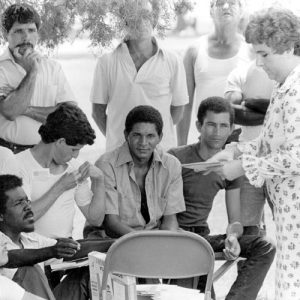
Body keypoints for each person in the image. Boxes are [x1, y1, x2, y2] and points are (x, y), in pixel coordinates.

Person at [206, 8, 300, 300]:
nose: (258, 63)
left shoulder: (297, 91)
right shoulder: (283, 86)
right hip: (286, 209)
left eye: (264, 54)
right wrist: (234, 150)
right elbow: (270, 143)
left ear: (286, 45)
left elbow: (296, 155)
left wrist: (242, 167)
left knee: (292, 284)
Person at [169, 97, 275, 300]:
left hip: (201, 236)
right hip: (174, 235)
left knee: (265, 246)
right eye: (211, 125)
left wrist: (233, 237)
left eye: (223, 126)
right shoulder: (176, 158)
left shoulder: (230, 167)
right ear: (199, 125)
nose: (217, 132)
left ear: (232, 128)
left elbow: (235, 220)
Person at [90, 0, 188, 152]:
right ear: (124, 21)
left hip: (161, 155)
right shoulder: (107, 62)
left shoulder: (172, 60)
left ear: (155, 20)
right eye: (134, 16)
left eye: (146, 16)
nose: (141, 21)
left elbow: (178, 110)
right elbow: (97, 113)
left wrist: (151, 141)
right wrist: (122, 142)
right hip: (118, 157)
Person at [0, 174, 113, 300]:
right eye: (19, 203)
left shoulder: (30, 238)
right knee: (29, 270)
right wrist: (51, 251)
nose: (27, 206)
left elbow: (71, 249)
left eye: (27, 201)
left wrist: (115, 243)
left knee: (86, 274)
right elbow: (12, 257)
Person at [15, 103, 105, 239]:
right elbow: (22, 219)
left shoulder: (74, 167)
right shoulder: (18, 165)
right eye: (74, 149)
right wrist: (61, 187)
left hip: (66, 252)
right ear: (60, 142)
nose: (76, 156)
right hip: (30, 254)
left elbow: (95, 219)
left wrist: (99, 180)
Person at [93, 105, 185, 238]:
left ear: (160, 137)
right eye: (137, 135)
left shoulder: (171, 165)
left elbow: (170, 220)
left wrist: (165, 243)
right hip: (114, 238)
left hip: (155, 238)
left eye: (150, 136)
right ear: (126, 135)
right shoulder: (106, 165)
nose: (143, 142)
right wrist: (144, 243)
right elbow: (111, 223)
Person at [0, 3, 75, 154]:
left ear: (38, 34)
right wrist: (33, 71)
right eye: (19, 31)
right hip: (9, 153)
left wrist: (25, 109)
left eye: (31, 30)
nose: (26, 37)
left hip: (47, 152)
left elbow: (70, 115)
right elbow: (11, 112)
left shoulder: (53, 68)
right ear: (5, 34)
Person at [177, 0, 252, 145]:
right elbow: (184, 104)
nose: (225, 6)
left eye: (231, 2)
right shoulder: (193, 50)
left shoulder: (251, 52)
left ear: (241, 10)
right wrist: (181, 146)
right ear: (211, 10)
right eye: (219, 2)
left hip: (239, 143)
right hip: (201, 140)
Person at [225, 61, 275, 235]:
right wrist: (273, 108)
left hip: (281, 162)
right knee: (247, 230)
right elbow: (232, 112)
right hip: (247, 159)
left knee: (290, 226)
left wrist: (252, 105)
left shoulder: (290, 75)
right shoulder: (241, 72)